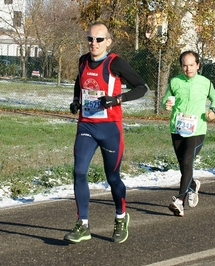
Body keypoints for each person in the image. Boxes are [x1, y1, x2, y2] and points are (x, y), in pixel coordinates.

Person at [64, 22, 149, 243]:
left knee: (112, 178)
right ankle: (83, 224)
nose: (94, 43)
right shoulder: (83, 60)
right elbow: (79, 82)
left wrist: (116, 99)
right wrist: (75, 101)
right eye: (90, 39)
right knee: (79, 171)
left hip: (110, 128)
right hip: (86, 125)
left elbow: (142, 87)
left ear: (108, 41)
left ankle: (121, 217)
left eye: (99, 39)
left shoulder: (115, 62)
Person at [161, 50, 215, 217]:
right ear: (181, 66)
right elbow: (166, 100)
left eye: (192, 65)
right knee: (183, 165)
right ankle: (192, 185)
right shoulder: (175, 82)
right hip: (177, 128)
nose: (188, 69)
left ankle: (179, 201)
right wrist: (166, 105)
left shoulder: (205, 83)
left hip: (197, 130)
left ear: (198, 65)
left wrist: (212, 111)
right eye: (185, 66)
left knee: (187, 161)